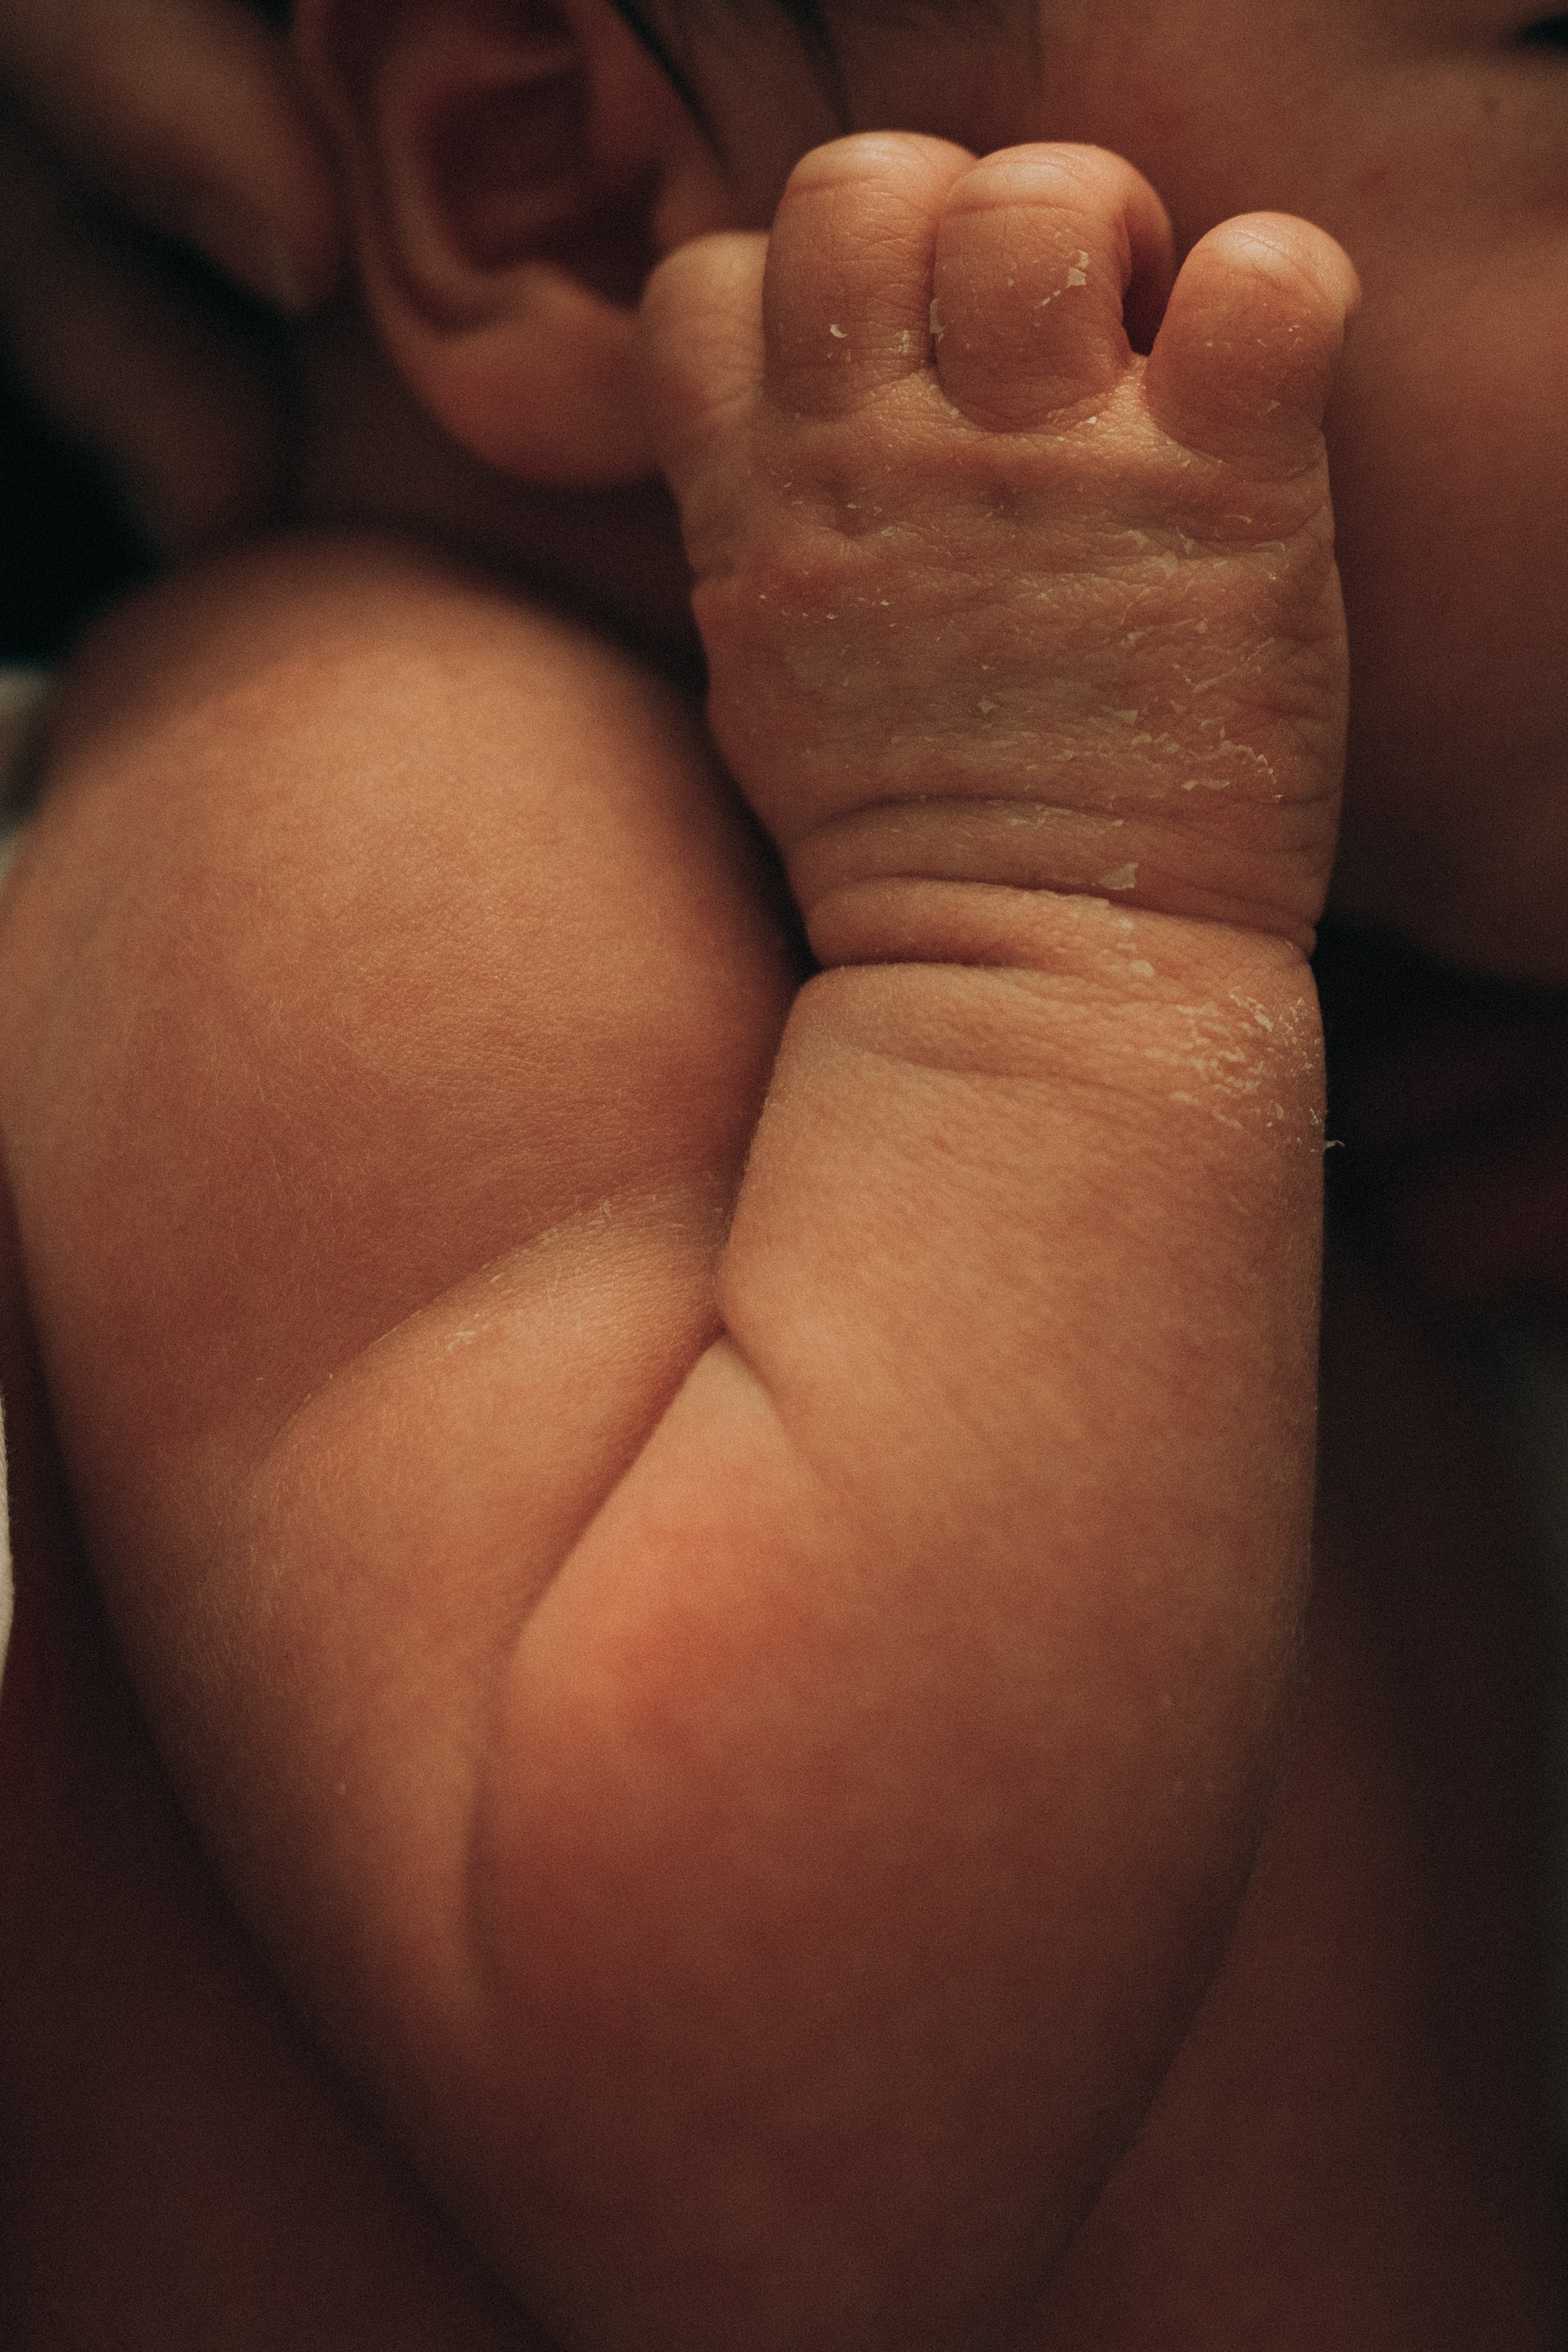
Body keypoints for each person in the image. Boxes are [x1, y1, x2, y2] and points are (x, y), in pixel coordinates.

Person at [0, 2, 1563, 2347]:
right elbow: (757, 2169)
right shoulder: (375, 807)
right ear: (566, 185)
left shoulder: (1349, 959)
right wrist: (1057, 925)